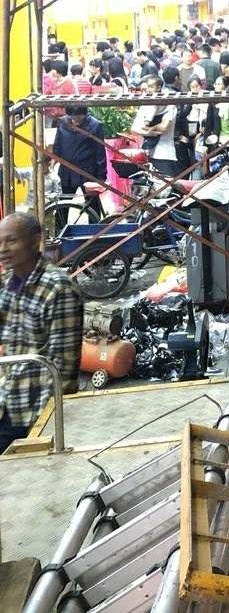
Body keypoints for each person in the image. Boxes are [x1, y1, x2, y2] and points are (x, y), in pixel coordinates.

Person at [0, 213, 83, 452]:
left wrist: (42, 429)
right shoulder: (11, 280)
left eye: (11, 241)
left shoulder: (58, 288)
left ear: (36, 240)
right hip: (8, 398)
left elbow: (63, 371)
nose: (3, 249)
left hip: (32, 411)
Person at [52, 105, 107, 202]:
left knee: (92, 203)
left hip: (87, 172)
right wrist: (53, 160)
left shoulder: (95, 125)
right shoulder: (62, 122)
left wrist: (101, 177)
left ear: (84, 114)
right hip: (67, 171)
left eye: (78, 117)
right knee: (63, 203)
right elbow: (57, 144)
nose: (75, 120)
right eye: (72, 117)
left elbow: (100, 152)